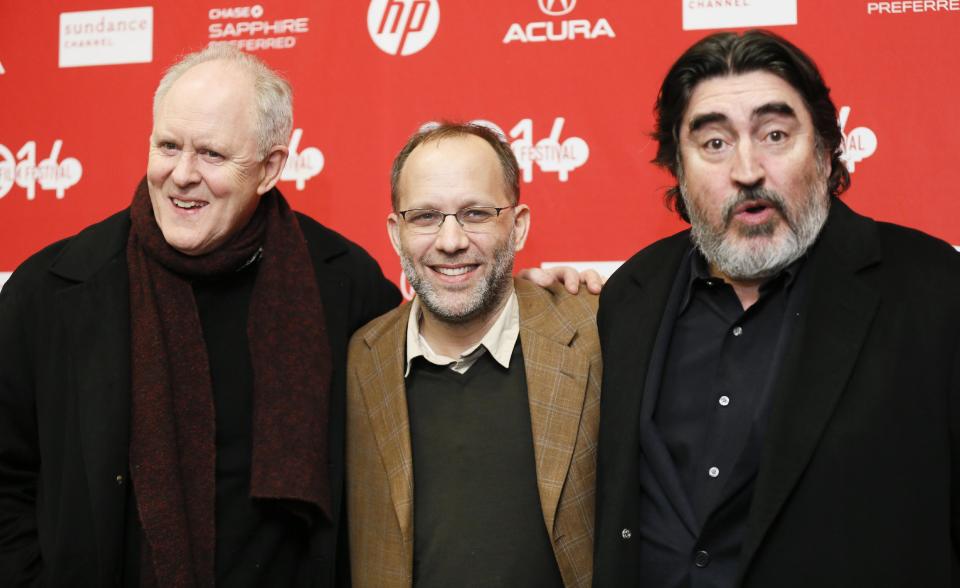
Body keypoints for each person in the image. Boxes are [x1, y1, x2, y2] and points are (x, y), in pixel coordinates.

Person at [0, 44, 402, 586]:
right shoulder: (49, 290)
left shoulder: (346, 283)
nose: (181, 174)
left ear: (270, 168)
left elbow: (434, 386)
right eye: (168, 146)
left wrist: (540, 303)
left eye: (211, 154)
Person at [593, 30, 960, 587]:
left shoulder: (932, 288)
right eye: (714, 143)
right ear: (678, 166)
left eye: (774, 134)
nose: (747, 169)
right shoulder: (630, 292)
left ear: (824, 147)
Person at [345, 123, 601, 588]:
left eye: (476, 213)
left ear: (518, 225)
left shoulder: (596, 334)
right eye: (425, 216)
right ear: (395, 232)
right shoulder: (359, 360)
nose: (450, 241)